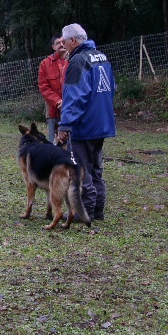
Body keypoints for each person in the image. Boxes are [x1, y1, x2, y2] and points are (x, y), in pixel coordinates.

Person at [56, 23, 116, 222]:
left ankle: (85, 212)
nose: (63, 45)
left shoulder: (78, 61)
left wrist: (65, 125)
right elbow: (111, 89)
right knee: (96, 169)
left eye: (64, 41)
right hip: (103, 123)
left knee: (82, 170)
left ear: (73, 40)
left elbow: (75, 97)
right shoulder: (101, 57)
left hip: (85, 125)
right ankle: (98, 210)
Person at [37, 35, 68, 140]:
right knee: (53, 145)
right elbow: (43, 87)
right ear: (53, 47)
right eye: (58, 43)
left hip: (71, 111)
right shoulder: (45, 64)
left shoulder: (74, 61)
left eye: (63, 42)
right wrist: (58, 102)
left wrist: (68, 103)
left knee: (71, 146)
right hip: (53, 112)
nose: (62, 44)